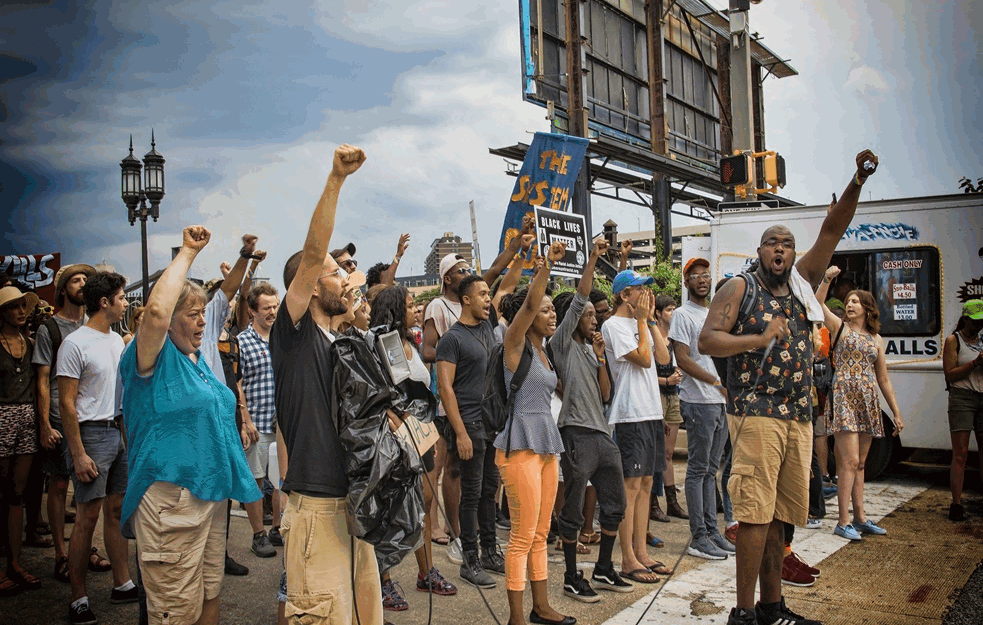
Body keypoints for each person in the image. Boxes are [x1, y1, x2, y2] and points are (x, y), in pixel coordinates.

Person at [700, 149, 879, 625]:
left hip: (798, 414)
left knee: (780, 518)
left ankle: (772, 608)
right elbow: (708, 339)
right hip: (756, 413)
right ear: (759, 251)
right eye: (771, 243)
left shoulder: (803, 285)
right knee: (755, 517)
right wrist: (757, 337)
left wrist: (857, 181)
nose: (779, 249)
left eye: (785, 243)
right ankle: (742, 612)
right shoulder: (739, 288)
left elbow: (831, 230)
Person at [118, 226, 260, 625]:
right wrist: (188, 252)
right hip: (170, 501)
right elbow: (159, 312)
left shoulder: (197, 361)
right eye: (192, 315)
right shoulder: (149, 357)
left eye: (203, 314)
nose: (202, 323)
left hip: (210, 495)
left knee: (207, 594)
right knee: (174, 611)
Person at [272, 144, 385, 625]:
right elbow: (314, 251)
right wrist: (336, 179)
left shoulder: (341, 342)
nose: (347, 282)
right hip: (316, 505)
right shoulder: (294, 334)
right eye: (337, 275)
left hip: (353, 500)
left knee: (364, 615)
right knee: (321, 616)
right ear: (311, 284)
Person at [550, 240, 634, 603]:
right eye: (587, 316)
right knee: (572, 509)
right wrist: (593, 260)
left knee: (615, 504)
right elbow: (581, 295)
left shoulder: (589, 348)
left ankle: (603, 568)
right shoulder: (563, 343)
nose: (593, 319)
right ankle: (571, 576)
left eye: (593, 316)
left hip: (601, 433)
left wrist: (601, 358)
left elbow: (604, 394)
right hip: (576, 433)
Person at [497, 243, 575, 625]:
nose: (551, 312)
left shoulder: (544, 352)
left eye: (551, 307)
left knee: (542, 533)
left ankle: (541, 607)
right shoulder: (514, 346)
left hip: (546, 442)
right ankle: (517, 618)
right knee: (521, 535)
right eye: (545, 308)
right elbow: (527, 306)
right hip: (519, 444)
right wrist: (544, 267)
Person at [56, 271, 136, 623]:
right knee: (87, 516)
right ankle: (78, 597)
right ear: (105, 302)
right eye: (121, 297)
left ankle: (123, 583)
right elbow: (67, 404)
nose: (126, 303)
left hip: (117, 431)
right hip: (90, 435)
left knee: (118, 511)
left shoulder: (117, 341)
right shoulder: (75, 344)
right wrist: (77, 452)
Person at [371, 285, 457, 611]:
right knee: (390, 507)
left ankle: (426, 571)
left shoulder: (409, 341)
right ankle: (384, 579)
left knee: (424, 500)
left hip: (422, 432)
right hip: (397, 435)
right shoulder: (386, 343)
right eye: (409, 305)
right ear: (394, 310)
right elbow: (388, 390)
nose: (416, 310)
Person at [816, 266, 904, 541]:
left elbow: (884, 378)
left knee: (862, 463)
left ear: (867, 308)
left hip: (867, 399)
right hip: (843, 397)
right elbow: (817, 304)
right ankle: (843, 521)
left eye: (855, 301)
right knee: (848, 461)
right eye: (848, 301)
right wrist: (827, 279)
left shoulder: (876, 339)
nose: (849, 305)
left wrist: (896, 412)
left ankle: (861, 517)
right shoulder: (839, 328)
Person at [436, 273, 506, 589]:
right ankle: (471, 560)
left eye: (488, 293)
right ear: (466, 299)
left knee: (490, 489)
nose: (487, 298)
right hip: (470, 423)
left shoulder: (488, 331)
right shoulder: (452, 339)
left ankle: (491, 551)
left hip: (491, 424)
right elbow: (445, 389)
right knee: (472, 492)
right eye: (482, 293)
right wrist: (460, 432)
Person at [602, 270, 671, 584]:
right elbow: (643, 359)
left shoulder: (640, 322)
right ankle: (628, 558)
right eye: (638, 289)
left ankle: (642, 552)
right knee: (630, 489)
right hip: (630, 414)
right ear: (623, 295)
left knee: (645, 486)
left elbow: (663, 356)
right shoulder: (613, 325)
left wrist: (651, 321)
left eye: (647, 289)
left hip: (651, 411)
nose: (645, 294)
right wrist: (643, 321)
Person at [32, 264, 95, 584]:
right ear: (63, 288)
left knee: (91, 490)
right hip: (59, 417)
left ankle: (86, 548)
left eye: (86, 279)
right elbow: (43, 380)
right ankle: (60, 552)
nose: (82, 284)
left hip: (90, 418)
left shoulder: (93, 325)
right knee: (58, 485)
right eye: (75, 279)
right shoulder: (50, 329)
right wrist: (44, 424)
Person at [670, 258, 734, 560]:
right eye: (695, 276)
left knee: (711, 470)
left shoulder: (713, 314)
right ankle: (698, 537)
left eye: (706, 275)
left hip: (719, 401)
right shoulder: (682, 315)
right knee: (697, 470)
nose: (702, 280)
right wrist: (714, 380)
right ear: (686, 282)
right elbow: (682, 359)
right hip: (699, 401)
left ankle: (712, 531)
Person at [0, 285, 42, 596]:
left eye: (21, 306)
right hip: (2, 417)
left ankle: (14, 563)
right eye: (13, 307)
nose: (20, 311)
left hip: (27, 419)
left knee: (17, 493)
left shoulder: (29, 343)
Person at [238, 282, 283, 556]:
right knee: (254, 479)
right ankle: (258, 534)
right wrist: (245, 419)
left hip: (281, 424)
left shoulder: (282, 337)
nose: (272, 312)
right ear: (252, 310)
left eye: (275, 307)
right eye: (266, 308)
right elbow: (237, 382)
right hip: (257, 420)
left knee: (280, 480)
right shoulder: (242, 342)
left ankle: (277, 527)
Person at [942, 299, 983, 521]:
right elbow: (950, 374)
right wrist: (974, 363)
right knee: (961, 453)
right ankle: (956, 504)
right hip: (962, 397)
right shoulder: (953, 340)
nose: (979, 325)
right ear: (965, 319)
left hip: (982, 395)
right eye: (976, 321)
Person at [653, 294, 687, 520]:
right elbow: (643, 374)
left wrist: (677, 375)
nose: (673, 314)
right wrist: (666, 380)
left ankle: (672, 501)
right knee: (653, 451)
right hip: (655, 395)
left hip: (673, 395)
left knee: (667, 452)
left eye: (675, 309)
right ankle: (653, 502)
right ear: (658, 313)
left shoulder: (675, 339)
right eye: (669, 310)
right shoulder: (650, 336)